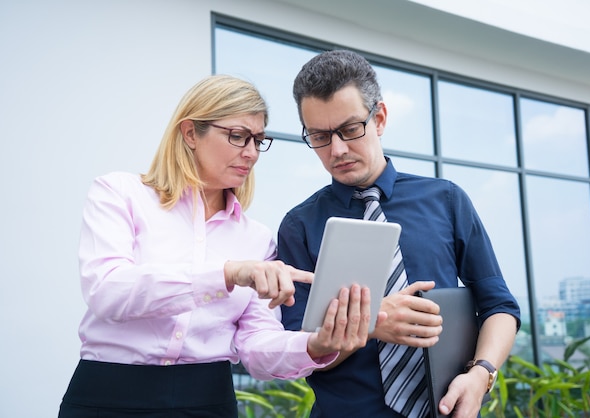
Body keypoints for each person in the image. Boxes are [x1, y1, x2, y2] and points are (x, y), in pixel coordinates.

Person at [58, 74, 373, 418]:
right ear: (191, 133)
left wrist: (315, 345)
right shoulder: (120, 194)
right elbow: (108, 291)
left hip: (209, 402)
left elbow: (256, 346)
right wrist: (227, 274)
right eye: (238, 137)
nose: (251, 153)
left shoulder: (255, 239)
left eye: (258, 140)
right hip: (107, 397)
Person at [279, 50, 521, 418]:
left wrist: (480, 375)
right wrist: (373, 323)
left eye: (349, 129)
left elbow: (499, 307)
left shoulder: (447, 200)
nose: (337, 149)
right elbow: (300, 350)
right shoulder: (299, 226)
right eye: (320, 136)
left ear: (379, 118)